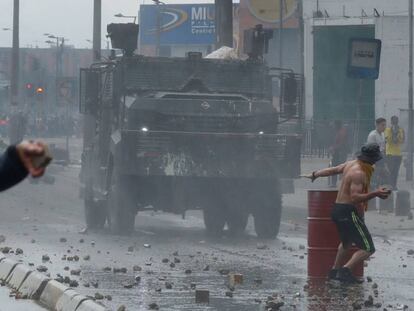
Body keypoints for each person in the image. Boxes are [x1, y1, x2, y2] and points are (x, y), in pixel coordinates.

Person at [302, 143, 390, 283]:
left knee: (347, 242)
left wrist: (315, 174)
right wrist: (376, 193)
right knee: (368, 248)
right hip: (347, 211)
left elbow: (333, 170)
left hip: (337, 209)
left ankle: (334, 271)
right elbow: (355, 197)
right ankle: (345, 270)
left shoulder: (351, 164)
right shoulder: (359, 173)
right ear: (371, 159)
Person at [384, 116, 405, 190]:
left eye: (396, 120)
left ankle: (394, 185)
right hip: (390, 153)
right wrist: (393, 133)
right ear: (391, 121)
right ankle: (390, 185)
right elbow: (389, 140)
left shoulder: (401, 130)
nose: (395, 122)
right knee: (390, 171)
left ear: (398, 121)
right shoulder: (387, 130)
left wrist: (397, 134)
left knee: (396, 171)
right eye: (394, 120)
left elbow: (402, 140)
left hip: (398, 154)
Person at [367, 118, 388, 187]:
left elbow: (383, 148)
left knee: (381, 179)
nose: (384, 127)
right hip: (374, 160)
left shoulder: (382, 134)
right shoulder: (372, 135)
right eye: (383, 125)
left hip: (381, 159)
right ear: (377, 125)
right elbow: (370, 150)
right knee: (373, 180)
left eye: (385, 125)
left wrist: (384, 162)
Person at [329, 120, 348, 187]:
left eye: (334, 125)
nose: (333, 126)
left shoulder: (341, 132)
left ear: (337, 125)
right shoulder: (340, 131)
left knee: (336, 168)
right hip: (339, 152)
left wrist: (333, 148)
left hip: (340, 153)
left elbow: (341, 144)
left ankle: (336, 183)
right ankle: (336, 183)